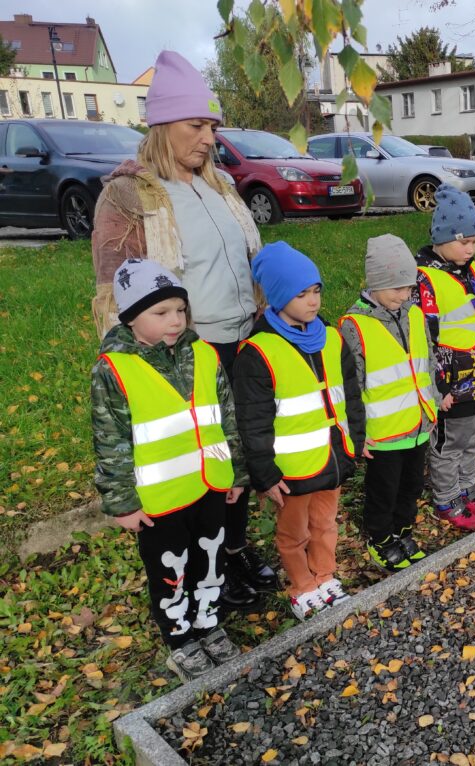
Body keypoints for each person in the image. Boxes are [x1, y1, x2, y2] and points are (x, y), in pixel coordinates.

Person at [91, 49, 271, 607]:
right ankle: (201, 565)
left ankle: (233, 550)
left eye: (212, 126)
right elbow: (113, 289)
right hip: (188, 350)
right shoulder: (129, 194)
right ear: (163, 125)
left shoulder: (220, 186)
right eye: (196, 125)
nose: (208, 138)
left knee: (236, 454)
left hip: (242, 340)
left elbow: (246, 260)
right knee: (201, 457)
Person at [91, 259, 247, 681]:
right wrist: (123, 502)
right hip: (159, 500)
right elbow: (110, 440)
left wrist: (236, 471)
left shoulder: (203, 353)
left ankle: (208, 622)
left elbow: (226, 416)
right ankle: (180, 638)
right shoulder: (113, 369)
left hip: (210, 485)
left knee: (210, 560)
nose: (175, 320)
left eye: (180, 309)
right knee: (170, 571)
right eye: (160, 312)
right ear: (130, 317)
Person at [232, 242, 365, 620]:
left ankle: (324, 577)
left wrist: (355, 441)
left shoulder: (332, 338)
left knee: (325, 524)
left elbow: (351, 395)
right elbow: (252, 422)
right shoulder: (258, 352)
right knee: (294, 534)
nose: (313, 301)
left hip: (331, 458)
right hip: (291, 471)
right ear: (277, 296)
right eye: (301, 293)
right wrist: (265, 473)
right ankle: (302, 587)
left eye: (316, 290)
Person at [340, 235, 440, 572]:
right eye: (396, 288)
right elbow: (350, 385)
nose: (403, 295)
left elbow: (427, 362)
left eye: (409, 287)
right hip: (382, 433)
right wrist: (357, 432)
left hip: (418, 424)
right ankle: (381, 538)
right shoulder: (355, 325)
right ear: (375, 283)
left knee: (411, 485)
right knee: (384, 489)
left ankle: (402, 531)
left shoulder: (415, 314)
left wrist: (433, 401)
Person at [414, 184, 475, 531]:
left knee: (471, 441)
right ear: (442, 238)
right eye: (464, 241)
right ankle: (446, 497)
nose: (470, 249)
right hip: (453, 386)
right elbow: (425, 340)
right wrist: (438, 386)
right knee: (449, 444)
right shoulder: (425, 280)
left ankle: (467, 489)